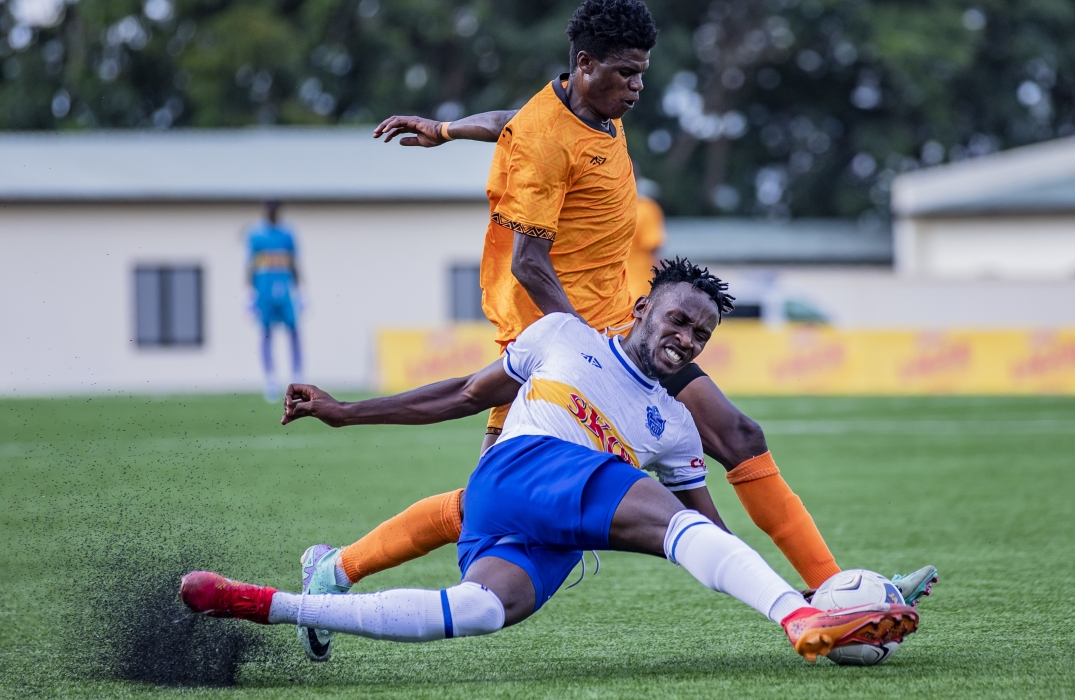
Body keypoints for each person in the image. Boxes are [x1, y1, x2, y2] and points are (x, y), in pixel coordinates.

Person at [344, 0, 934, 658]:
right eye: (626, 73)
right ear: (584, 65)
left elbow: (509, 121)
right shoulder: (548, 137)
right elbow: (531, 264)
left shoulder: (589, 109)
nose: (638, 86)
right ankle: (338, 569)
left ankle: (833, 594)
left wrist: (448, 129)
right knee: (484, 502)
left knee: (736, 434)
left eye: (642, 74)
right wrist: (590, 356)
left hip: (614, 323)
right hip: (569, 338)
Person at [180, 262, 919, 662]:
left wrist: (822, 596)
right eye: (678, 319)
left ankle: (270, 604)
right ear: (640, 310)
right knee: (656, 516)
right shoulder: (565, 335)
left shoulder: (675, 428)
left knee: (478, 611)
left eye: (701, 335)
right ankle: (796, 623)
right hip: (519, 469)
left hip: (550, 534)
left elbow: (708, 535)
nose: (688, 338)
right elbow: (466, 395)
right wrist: (346, 411)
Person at [246, 200, 302, 402]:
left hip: (285, 291)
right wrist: (249, 293)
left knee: (294, 332)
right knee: (266, 334)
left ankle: (298, 377)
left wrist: (301, 290)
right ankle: (270, 379)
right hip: (264, 292)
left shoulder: (287, 234)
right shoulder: (256, 235)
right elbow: (250, 265)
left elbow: (295, 262)